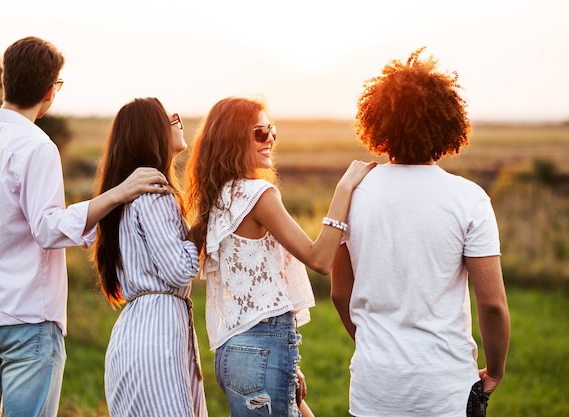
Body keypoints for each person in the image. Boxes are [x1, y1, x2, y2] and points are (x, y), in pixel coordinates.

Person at [0, 37, 166, 417]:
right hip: (26, 321)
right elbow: (48, 229)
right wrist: (116, 195)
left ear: (5, 80)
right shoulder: (37, 146)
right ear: (51, 91)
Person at [330, 48, 511, 417]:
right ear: (448, 124)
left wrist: (375, 346)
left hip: (373, 386)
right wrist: (495, 371)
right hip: (445, 389)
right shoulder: (469, 199)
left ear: (377, 123)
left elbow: (339, 293)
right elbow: (492, 305)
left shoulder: (353, 193)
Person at [185, 96, 376, 417]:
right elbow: (319, 258)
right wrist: (344, 189)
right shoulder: (258, 195)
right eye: (260, 132)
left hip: (235, 351)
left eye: (272, 129)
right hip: (262, 346)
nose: (271, 138)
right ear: (234, 139)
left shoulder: (220, 196)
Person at [92, 97, 208, 417]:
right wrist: (200, 226)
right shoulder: (155, 191)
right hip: (156, 340)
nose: (179, 121)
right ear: (151, 132)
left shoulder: (130, 195)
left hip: (136, 334)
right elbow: (180, 270)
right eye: (171, 117)